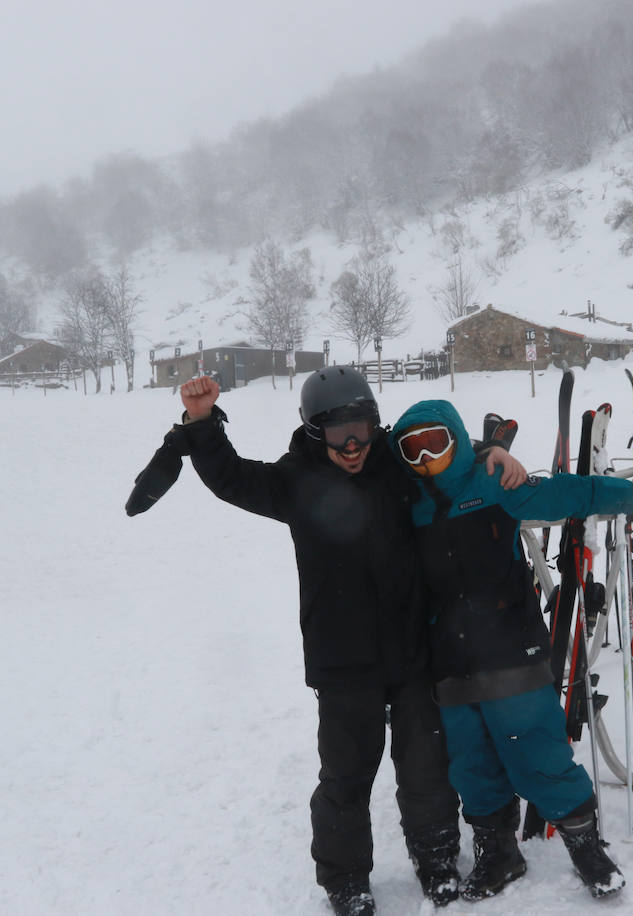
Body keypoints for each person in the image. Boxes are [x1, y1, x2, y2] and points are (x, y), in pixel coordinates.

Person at [169, 368, 527, 916]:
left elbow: (442, 458)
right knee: (346, 775)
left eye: (361, 430)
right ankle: (346, 879)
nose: (353, 446)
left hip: (412, 652)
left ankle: (435, 860)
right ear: (315, 433)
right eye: (339, 436)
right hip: (342, 663)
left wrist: (490, 454)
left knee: (426, 766)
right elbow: (230, 478)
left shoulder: (397, 469)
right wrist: (201, 422)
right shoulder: (294, 481)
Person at [390, 399, 633, 901]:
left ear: (457, 439)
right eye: (411, 450)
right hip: (450, 661)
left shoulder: (493, 484)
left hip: (509, 649)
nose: (425, 459)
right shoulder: (407, 503)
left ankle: (586, 848)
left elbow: (571, 494)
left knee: (539, 754)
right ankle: (499, 852)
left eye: (434, 443)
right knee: (471, 766)